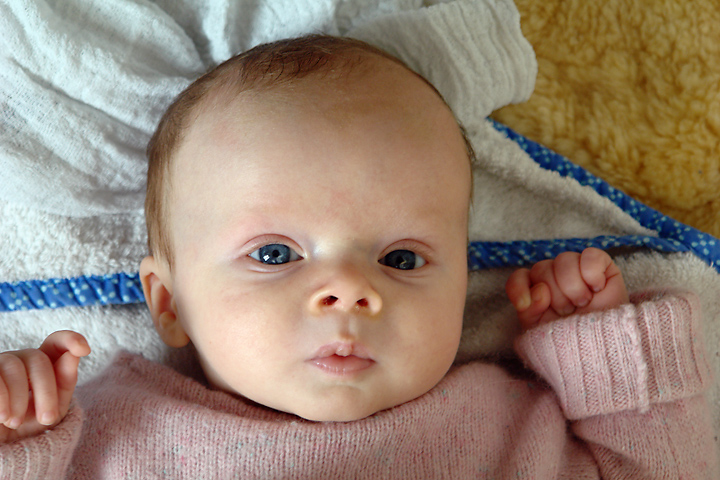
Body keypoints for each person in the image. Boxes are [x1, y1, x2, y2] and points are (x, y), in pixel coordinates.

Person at [0, 35, 715, 478]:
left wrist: (598, 358)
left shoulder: (509, 423)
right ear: (168, 303)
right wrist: (18, 444)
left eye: (401, 259)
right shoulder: (109, 434)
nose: (347, 290)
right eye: (275, 253)